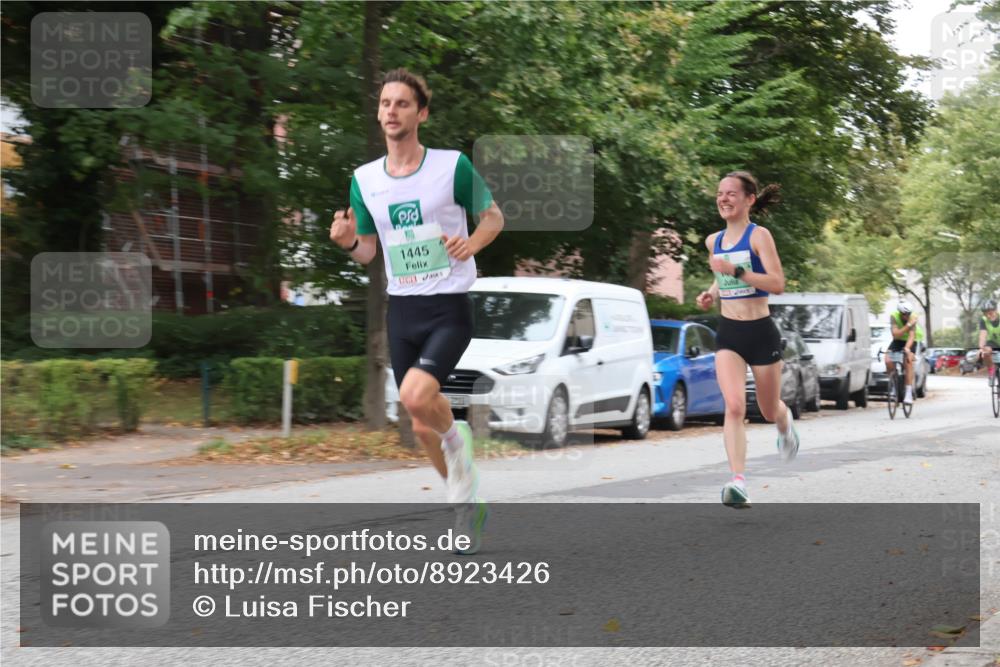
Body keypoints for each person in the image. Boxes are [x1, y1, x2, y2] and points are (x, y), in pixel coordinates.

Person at [329, 69, 504, 553]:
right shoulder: (364, 180)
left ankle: (458, 445)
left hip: (448, 306)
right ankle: (466, 502)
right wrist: (347, 244)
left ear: (421, 113)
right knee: (423, 421)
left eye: (402, 104)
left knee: (413, 396)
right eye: (385, 103)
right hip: (402, 309)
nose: (391, 111)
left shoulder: (452, 167)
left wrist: (470, 243)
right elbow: (368, 252)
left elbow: (493, 216)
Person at [696, 171, 799, 509]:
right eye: (719, 194)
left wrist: (736, 272)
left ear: (749, 200)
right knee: (736, 406)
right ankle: (737, 481)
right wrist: (711, 293)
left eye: (731, 194)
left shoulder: (759, 236)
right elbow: (720, 276)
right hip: (729, 332)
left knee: (768, 410)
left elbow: (777, 283)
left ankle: (785, 425)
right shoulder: (713, 241)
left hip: (760, 331)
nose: (724, 199)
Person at [887, 300, 918, 405]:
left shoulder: (913, 317)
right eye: (905, 314)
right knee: (888, 360)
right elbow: (896, 335)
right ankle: (893, 386)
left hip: (910, 342)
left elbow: (912, 336)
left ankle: (908, 393)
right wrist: (908, 325)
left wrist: (908, 348)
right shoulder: (894, 317)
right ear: (900, 313)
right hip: (897, 340)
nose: (907, 316)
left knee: (908, 362)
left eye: (908, 314)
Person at [979, 300, 1000, 386]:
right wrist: (981, 348)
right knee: (985, 351)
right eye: (985, 313)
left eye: (990, 313)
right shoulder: (983, 320)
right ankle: (991, 372)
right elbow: (983, 335)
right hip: (993, 342)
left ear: (995, 310)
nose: (988, 315)